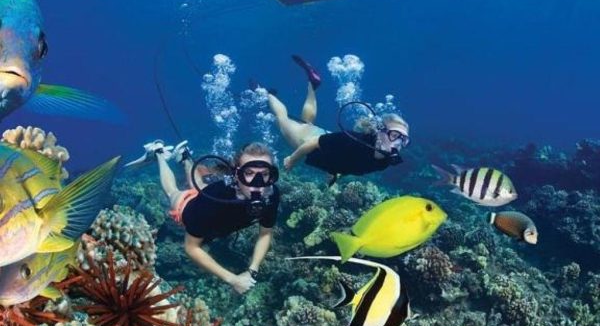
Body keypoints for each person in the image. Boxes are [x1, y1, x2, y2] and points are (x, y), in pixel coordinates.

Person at [128, 140, 280, 294]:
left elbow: (265, 233)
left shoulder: (271, 196)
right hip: (187, 206)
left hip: (208, 196)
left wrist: (253, 269)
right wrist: (233, 279)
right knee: (172, 192)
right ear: (237, 174)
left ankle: (185, 157)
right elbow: (191, 248)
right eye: (249, 173)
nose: (257, 183)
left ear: (271, 175)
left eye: (264, 174)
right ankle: (158, 153)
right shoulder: (212, 201)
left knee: (200, 185)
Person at [266, 55, 411, 183]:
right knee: (282, 121)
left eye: (404, 140)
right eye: (394, 135)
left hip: (323, 142)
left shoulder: (384, 162)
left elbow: (354, 163)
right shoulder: (353, 140)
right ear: (379, 132)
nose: (399, 143)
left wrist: (337, 172)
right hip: (308, 141)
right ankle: (267, 94)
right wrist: (292, 160)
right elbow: (314, 142)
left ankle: (312, 85)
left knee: (307, 123)